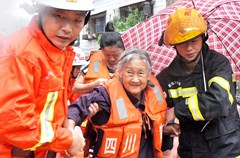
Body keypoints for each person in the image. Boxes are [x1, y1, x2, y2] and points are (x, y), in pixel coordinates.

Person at [0, 0, 95, 157]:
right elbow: (15, 124)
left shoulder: (55, 52)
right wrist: (68, 139)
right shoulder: (22, 54)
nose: (67, 28)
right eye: (58, 16)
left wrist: (65, 131)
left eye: (77, 20)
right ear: (41, 12)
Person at [156, 8, 240, 158]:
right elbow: (158, 114)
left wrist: (176, 110)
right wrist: (165, 128)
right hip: (190, 151)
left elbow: (219, 102)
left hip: (227, 149)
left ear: (203, 37)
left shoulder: (218, 64)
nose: (189, 48)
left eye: (194, 41)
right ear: (174, 45)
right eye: (182, 43)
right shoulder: (165, 78)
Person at [64, 48, 167, 158]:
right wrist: (70, 133)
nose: (135, 79)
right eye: (129, 72)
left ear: (148, 75)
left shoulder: (153, 94)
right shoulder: (107, 94)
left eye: (141, 73)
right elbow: (76, 109)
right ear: (121, 72)